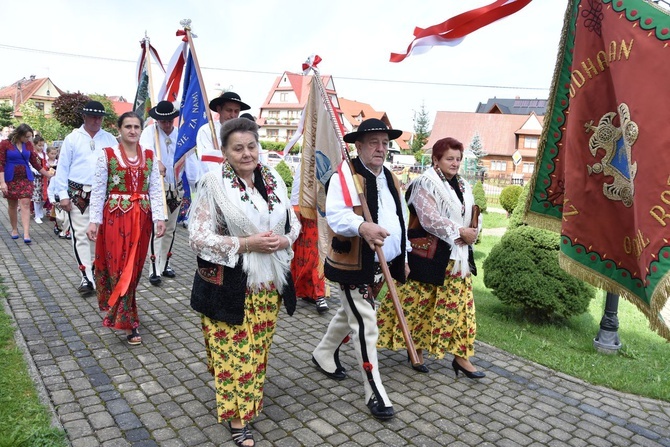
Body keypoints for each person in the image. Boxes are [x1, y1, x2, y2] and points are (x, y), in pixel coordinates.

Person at [189, 117, 299, 446]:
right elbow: (197, 238)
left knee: (256, 351)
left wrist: (284, 241)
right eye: (238, 148)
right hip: (229, 286)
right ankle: (238, 418)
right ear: (224, 152)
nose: (247, 153)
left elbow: (293, 225)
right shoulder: (214, 184)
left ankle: (246, 396)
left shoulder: (274, 179)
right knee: (236, 355)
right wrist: (246, 244)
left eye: (252, 146)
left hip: (268, 285)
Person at [311, 118, 408, 421]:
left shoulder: (390, 177)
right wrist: (362, 226)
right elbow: (335, 216)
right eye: (374, 143)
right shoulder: (346, 175)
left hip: (384, 265)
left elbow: (400, 218)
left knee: (351, 312)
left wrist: (402, 255)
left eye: (385, 143)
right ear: (359, 146)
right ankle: (374, 389)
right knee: (365, 324)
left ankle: (323, 352)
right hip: (354, 264)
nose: (381, 149)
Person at [378, 137, 485, 379]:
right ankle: (415, 348)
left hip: (457, 260)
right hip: (429, 256)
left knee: (461, 309)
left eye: (458, 159)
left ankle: (461, 357)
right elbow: (429, 219)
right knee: (420, 306)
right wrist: (459, 231)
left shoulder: (463, 185)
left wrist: (473, 232)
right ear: (436, 159)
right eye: (450, 158)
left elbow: (471, 214)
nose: (455, 163)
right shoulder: (424, 184)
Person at [86, 112, 166, 345]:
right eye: (128, 126)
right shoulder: (107, 155)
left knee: (135, 268)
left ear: (142, 130)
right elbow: (99, 190)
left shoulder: (150, 156)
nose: (132, 130)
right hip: (115, 218)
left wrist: (160, 218)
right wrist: (94, 221)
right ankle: (129, 321)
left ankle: (124, 311)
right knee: (120, 267)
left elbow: (155, 190)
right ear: (119, 130)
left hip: (141, 218)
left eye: (136, 127)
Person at [51, 100, 118, 296]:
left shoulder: (109, 139)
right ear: (84, 117)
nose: (97, 120)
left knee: (102, 236)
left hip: (103, 193)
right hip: (77, 193)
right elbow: (62, 168)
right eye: (93, 116)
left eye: (100, 117)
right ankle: (86, 277)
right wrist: (62, 195)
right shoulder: (72, 138)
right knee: (80, 235)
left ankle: (99, 273)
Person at [140, 101, 200, 286]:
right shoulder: (150, 133)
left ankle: (164, 263)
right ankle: (154, 268)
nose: (166, 124)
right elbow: (143, 153)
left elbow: (188, 158)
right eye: (162, 121)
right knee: (157, 229)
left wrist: (195, 181)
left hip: (175, 188)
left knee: (171, 230)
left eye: (169, 121)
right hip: (156, 188)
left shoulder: (180, 135)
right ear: (157, 120)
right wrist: (154, 161)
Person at [0, 124, 53, 243]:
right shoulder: (5, 144)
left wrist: (47, 174)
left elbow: (34, 162)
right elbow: (1, 163)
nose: (29, 139)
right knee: (12, 205)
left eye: (30, 137)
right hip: (10, 178)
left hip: (26, 177)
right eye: (27, 136)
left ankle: (26, 233)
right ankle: (14, 229)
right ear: (19, 134)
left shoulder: (28, 145)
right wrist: (2, 182)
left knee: (25, 203)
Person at [289, 162, 328, 313]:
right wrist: (296, 215)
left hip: (321, 216)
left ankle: (319, 294)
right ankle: (304, 291)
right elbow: (296, 191)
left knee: (316, 258)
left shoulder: (326, 157)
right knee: (301, 257)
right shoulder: (306, 162)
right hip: (305, 216)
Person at [195, 91, 250, 175]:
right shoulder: (207, 130)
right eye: (229, 110)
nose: (233, 115)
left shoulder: (244, 133)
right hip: (213, 181)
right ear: (219, 109)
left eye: (236, 111)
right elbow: (207, 161)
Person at [31, 135, 47, 224]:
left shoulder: (44, 154)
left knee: (44, 197)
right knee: (37, 197)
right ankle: (37, 215)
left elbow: (47, 164)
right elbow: (30, 164)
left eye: (42, 146)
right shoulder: (33, 154)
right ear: (34, 145)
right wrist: (34, 170)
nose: (41, 147)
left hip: (44, 177)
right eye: (39, 145)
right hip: (36, 179)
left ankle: (40, 212)